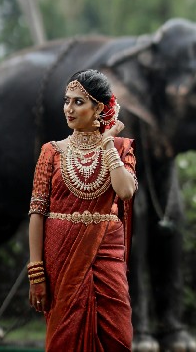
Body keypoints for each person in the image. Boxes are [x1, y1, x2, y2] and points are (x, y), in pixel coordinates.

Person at [27, 69, 137, 351]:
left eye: (78, 102)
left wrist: (108, 143)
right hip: (61, 257)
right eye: (67, 101)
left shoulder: (122, 148)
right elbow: (37, 212)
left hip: (106, 255)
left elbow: (125, 191)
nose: (69, 108)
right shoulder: (51, 151)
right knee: (65, 337)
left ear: (99, 108)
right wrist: (36, 271)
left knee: (118, 337)